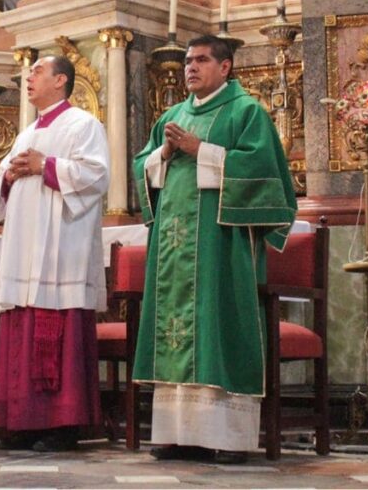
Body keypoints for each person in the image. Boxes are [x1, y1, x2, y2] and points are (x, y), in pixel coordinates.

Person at [132, 34, 297, 464]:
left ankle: (228, 437)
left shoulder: (246, 112)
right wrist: (164, 153)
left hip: (222, 247)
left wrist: (200, 150)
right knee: (173, 330)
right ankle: (175, 433)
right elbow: (142, 167)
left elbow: (264, 172)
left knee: (218, 325)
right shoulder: (171, 116)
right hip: (173, 247)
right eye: (188, 60)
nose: (191, 67)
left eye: (202, 60)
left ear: (225, 67)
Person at [0, 55, 110, 452]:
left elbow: (96, 175)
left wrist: (47, 166)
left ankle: (62, 424)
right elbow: (0, 182)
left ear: (60, 80)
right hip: (24, 245)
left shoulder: (83, 125)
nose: (29, 77)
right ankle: (22, 423)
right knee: (21, 326)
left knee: (59, 326)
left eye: (37, 71)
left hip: (62, 246)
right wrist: (8, 176)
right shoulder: (26, 133)